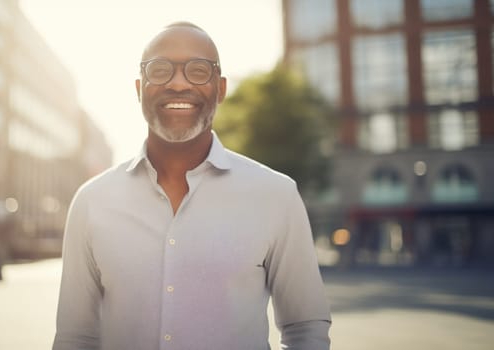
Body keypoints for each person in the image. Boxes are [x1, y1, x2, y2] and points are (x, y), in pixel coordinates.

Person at [53, 22, 331, 350]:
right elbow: (75, 338)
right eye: (160, 70)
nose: (178, 83)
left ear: (221, 88)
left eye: (198, 70)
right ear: (139, 87)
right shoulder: (91, 201)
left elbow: (305, 327)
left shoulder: (276, 195)